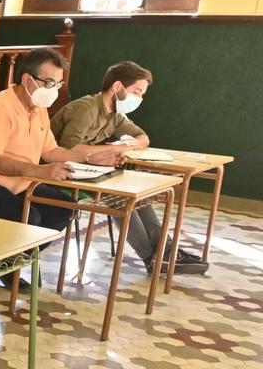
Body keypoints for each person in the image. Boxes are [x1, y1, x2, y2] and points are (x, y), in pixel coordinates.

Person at [0, 47, 122, 243]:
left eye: (58, 84)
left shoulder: (39, 110)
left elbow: (51, 151)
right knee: (29, 217)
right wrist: (40, 171)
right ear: (27, 80)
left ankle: (11, 264)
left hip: (17, 183)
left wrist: (89, 158)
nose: (53, 89)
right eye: (48, 83)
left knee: (64, 208)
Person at [51, 61, 207, 273]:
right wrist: (112, 151)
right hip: (57, 169)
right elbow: (67, 147)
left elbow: (143, 137)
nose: (139, 99)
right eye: (136, 92)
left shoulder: (115, 113)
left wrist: (125, 146)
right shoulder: (86, 109)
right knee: (119, 196)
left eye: (142, 94)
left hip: (84, 167)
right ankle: (153, 258)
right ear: (117, 87)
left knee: (138, 193)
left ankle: (166, 252)